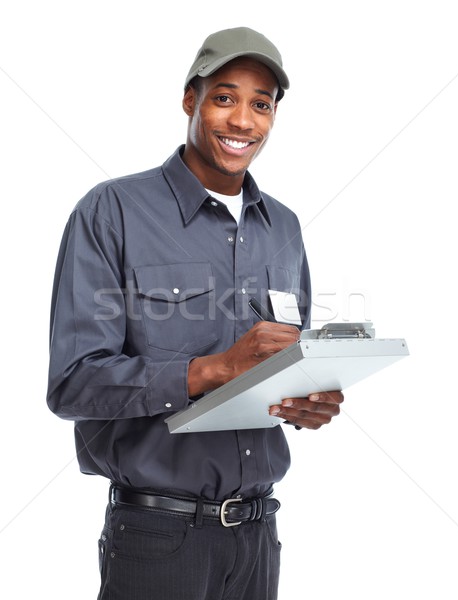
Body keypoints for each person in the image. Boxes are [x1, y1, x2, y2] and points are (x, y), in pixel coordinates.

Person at [47, 26, 344, 600]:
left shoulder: (283, 226)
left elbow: (285, 361)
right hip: (158, 539)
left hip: (259, 536)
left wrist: (303, 402)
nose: (242, 122)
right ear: (191, 100)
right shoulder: (111, 210)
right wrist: (215, 368)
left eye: (261, 105)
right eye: (225, 98)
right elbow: (72, 385)